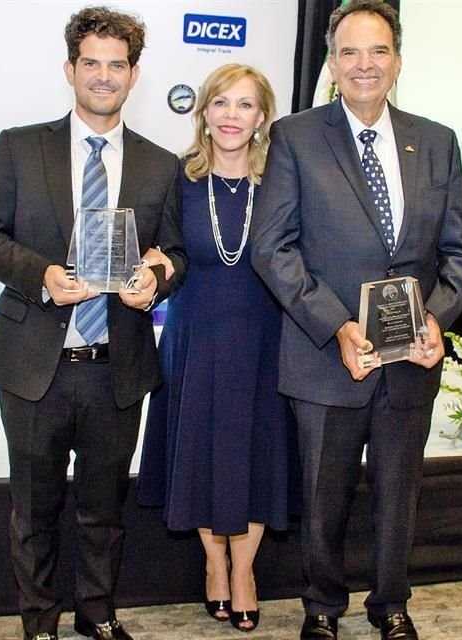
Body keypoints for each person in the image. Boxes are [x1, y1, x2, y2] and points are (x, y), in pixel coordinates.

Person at [250, 2, 462, 639]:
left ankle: (392, 605)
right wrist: (337, 324)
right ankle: (322, 608)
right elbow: (273, 247)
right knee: (323, 497)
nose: (364, 65)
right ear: (330, 63)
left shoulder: (437, 140)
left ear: (398, 62)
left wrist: (436, 319)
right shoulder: (295, 136)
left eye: (378, 51)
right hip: (328, 354)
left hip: (411, 360)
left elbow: (460, 252)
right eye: (349, 51)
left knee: (398, 495)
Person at [0, 7, 186, 640]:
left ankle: (97, 615)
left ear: (134, 75)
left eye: (116, 65)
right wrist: (42, 275)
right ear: (70, 68)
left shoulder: (158, 164)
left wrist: (157, 278)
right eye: (91, 62)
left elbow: (178, 253)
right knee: (33, 511)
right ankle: (39, 622)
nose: (103, 76)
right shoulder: (18, 146)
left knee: (103, 510)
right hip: (34, 363)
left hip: (114, 366)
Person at [136, 63, 296, 633]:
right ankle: (214, 563)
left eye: (245, 105)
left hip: (264, 339)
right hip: (194, 337)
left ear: (262, 117)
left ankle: (246, 570)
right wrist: (150, 265)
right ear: (204, 111)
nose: (232, 115)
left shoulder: (282, 180)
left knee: (256, 455)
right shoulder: (174, 179)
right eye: (221, 103)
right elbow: (161, 253)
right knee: (200, 450)